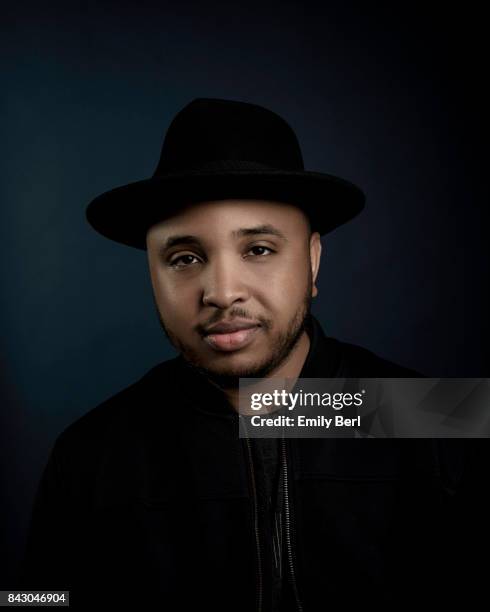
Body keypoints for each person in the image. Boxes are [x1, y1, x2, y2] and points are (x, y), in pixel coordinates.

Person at [18, 98, 484, 611]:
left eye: (258, 249)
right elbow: (34, 597)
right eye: (185, 258)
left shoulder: (433, 417)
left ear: (312, 259)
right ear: (151, 272)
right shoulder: (93, 452)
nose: (221, 291)